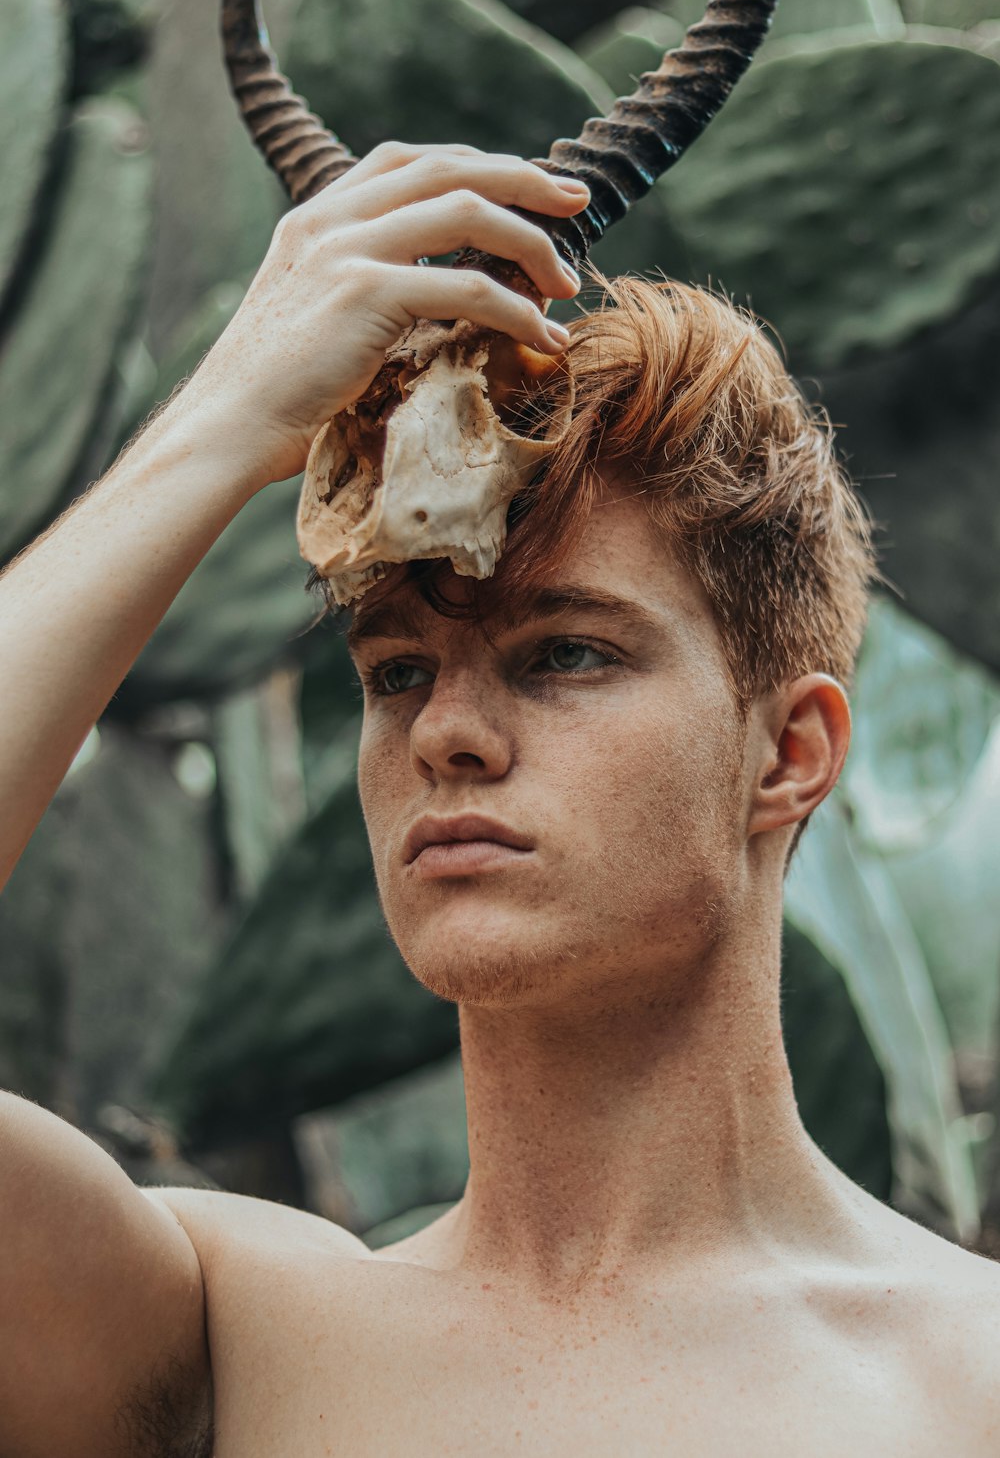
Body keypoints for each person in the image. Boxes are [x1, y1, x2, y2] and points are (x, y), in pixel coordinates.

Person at [1, 144, 998, 1458]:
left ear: (789, 753)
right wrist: (222, 421)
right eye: (398, 672)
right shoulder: (235, 1340)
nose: (448, 733)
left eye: (566, 653)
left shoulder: (967, 1378)